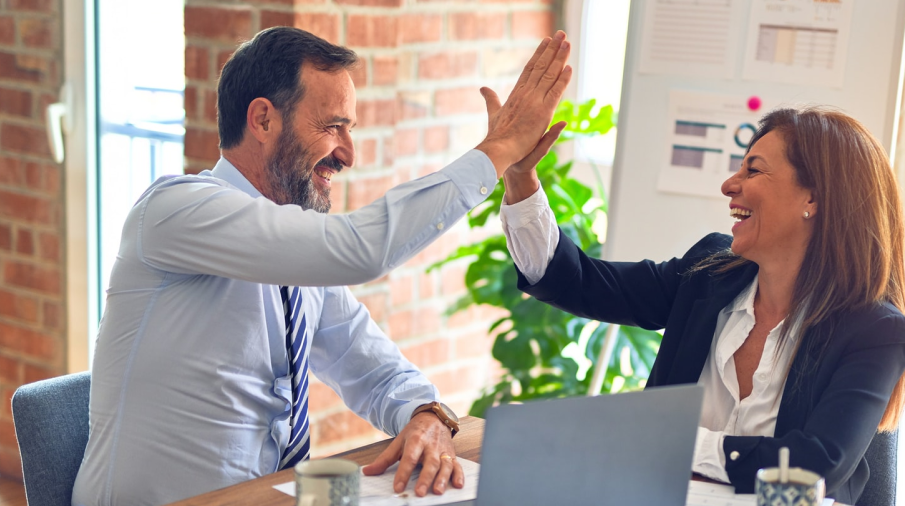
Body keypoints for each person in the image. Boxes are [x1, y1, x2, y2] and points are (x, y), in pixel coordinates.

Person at [72, 26, 572, 506]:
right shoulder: (176, 210)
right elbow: (359, 249)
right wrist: (498, 150)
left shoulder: (295, 254)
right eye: (333, 126)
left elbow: (373, 369)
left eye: (349, 129)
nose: (348, 153)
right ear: (263, 119)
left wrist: (426, 413)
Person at [497, 107, 905, 504]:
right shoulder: (708, 274)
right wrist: (520, 176)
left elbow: (813, 467)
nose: (729, 185)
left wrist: (671, 442)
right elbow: (579, 283)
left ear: (814, 199)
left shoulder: (875, 332)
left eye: (753, 170)